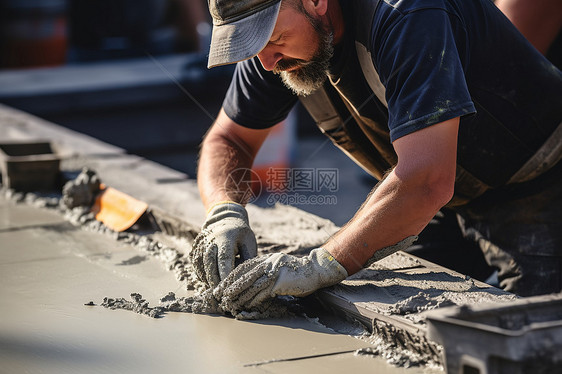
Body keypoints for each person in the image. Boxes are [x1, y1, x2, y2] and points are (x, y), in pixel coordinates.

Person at [192, 0, 562, 316]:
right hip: (442, 197)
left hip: (539, 182)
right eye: (252, 46)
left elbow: (426, 180)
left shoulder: (405, 15)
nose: (267, 63)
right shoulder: (275, 49)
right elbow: (228, 140)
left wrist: (320, 264)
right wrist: (224, 213)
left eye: (272, 39)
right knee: (391, 310)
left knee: (531, 339)